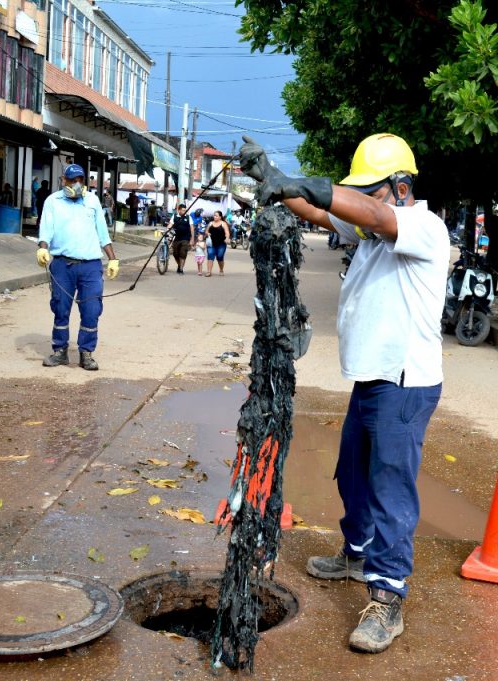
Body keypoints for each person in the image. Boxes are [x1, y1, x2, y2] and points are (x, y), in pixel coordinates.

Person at [239, 133, 448, 654]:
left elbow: (367, 215)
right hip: (371, 378)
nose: (364, 204)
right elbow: (314, 211)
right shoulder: (370, 231)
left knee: (390, 487)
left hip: (404, 382)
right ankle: (356, 555)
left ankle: (388, 599)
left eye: (371, 192)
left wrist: (309, 185)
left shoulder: (422, 226)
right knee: (353, 471)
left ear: (401, 188)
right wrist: (270, 178)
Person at [35, 164, 119, 371]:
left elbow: (102, 233)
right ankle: (60, 351)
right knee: (61, 308)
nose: (77, 184)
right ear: (64, 180)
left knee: (91, 310)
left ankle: (86, 353)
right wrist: (42, 248)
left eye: (80, 180)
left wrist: (113, 259)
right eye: (72, 180)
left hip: (90, 266)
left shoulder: (92, 201)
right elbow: (45, 230)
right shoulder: (52, 201)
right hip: (62, 265)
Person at [166, 203, 193, 275]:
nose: (184, 211)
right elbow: (170, 224)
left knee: (183, 253)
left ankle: (181, 269)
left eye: (185, 210)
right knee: (175, 254)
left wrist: (192, 239)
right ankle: (179, 265)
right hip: (176, 238)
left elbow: (192, 228)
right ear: (179, 210)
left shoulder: (188, 217)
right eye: (183, 210)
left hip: (185, 238)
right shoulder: (174, 216)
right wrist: (167, 230)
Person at [206, 210, 229, 277]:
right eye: (214, 215)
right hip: (211, 243)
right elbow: (206, 231)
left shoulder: (223, 224)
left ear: (220, 217)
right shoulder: (210, 223)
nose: (214, 217)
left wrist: (227, 238)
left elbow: (227, 232)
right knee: (210, 255)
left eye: (216, 216)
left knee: (220, 256)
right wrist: (207, 233)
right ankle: (209, 272)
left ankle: (221, 270)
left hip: (221, 244)